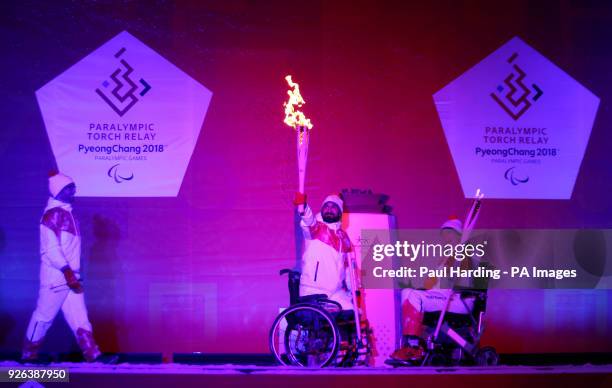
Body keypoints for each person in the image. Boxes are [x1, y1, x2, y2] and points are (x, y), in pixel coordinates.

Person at [22, 171, 102, 362]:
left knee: (80, 318)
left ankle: (93, 354)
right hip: (56, 278)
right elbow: (50, 249)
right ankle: (28, 355)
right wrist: (66, 272)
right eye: (69, 187)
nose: (73, 190)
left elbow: (70, 249)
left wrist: (73, 274)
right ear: (58, 191)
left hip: (72, 277)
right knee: (43, 317)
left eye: (73, 186)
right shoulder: (51, 216)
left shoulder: (68, 213)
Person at [390, 217, 476, 362]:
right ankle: (409, 343)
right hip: (442, 297)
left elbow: (461, 279)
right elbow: (431, 284)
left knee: (416, 297)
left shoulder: (466, 254)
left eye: (450, 234)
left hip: (459, 300)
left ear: (459, 236)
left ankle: (414, 349)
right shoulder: (446, 257)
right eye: (444, 235)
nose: (446, 238)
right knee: (406, 293)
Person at [294, 192, 354, 310]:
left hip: (335, 292)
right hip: (313, 290)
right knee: (323, 323)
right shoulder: (316, 228)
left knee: (353, 312)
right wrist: (304, 208)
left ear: (340, 213)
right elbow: (308, 220)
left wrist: (352, 291)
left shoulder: (343, 237)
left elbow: (348, 267)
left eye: (333, 207)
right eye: (326, 206)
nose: (329, 209)